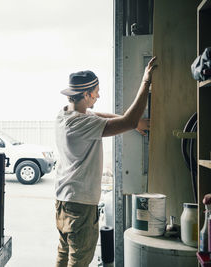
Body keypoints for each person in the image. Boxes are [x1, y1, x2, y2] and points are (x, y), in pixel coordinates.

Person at [54, 57, 157, 267]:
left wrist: (134, 123)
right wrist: (146, 82)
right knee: (79, 261)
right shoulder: (82, 124)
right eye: (96, 92)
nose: (98, 95)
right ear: (86, 94)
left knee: (64, 256)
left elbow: (96, 114)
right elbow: (125, 121)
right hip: (80, 205)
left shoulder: (65, 114)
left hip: (63, 201)